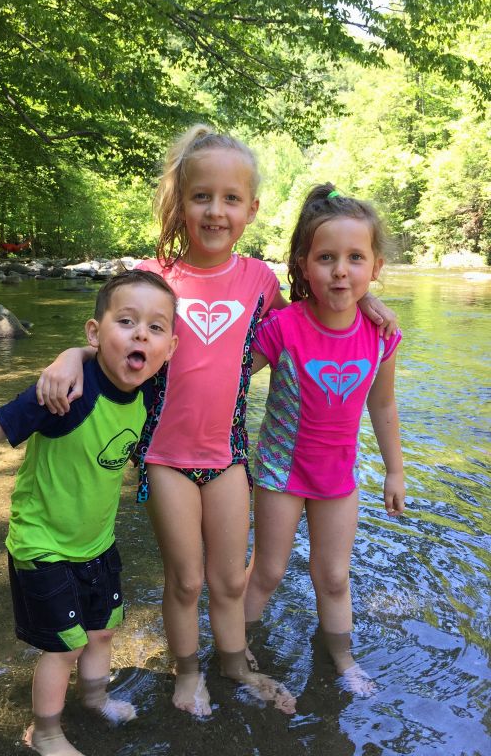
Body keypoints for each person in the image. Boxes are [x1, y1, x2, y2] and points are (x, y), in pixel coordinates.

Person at [34, 126, 397, 718]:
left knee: (230, 582)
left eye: (232, 199)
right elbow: (109, 340)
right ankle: (187, 671)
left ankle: (235, 662)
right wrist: (68, 356)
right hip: (164, 455)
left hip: (229, 456)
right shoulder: (154, 278)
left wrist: (368, 302)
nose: (216, 210)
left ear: (251, 209)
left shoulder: (260, 281)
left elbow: (317, 318)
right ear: (180, 202)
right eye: (202, 196)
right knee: (187, 581)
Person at [0, 270, 179, 756]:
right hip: (41, 543)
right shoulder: (63, 393)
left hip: (96, 542)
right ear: (94, 332)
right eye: (126, 321)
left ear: (169, 347)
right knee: (63, 646)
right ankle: (44, 733)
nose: (140, 335)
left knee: (103, 629)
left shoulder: (152, 389)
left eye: (155, 328)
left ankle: (94, 699)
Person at [243, 184, 405, 696]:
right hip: (279, 473)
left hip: (338, 477)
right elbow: (229, 375)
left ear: (375, 266)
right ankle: (235, 648)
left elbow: (382, 404)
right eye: (327, 257)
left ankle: (343, 660)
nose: (341, 270)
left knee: (333, 577)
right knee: (266, 571)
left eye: (355, 258)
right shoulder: (283, 327)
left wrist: (396, 471)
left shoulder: (380, 335)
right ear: (304, 265)